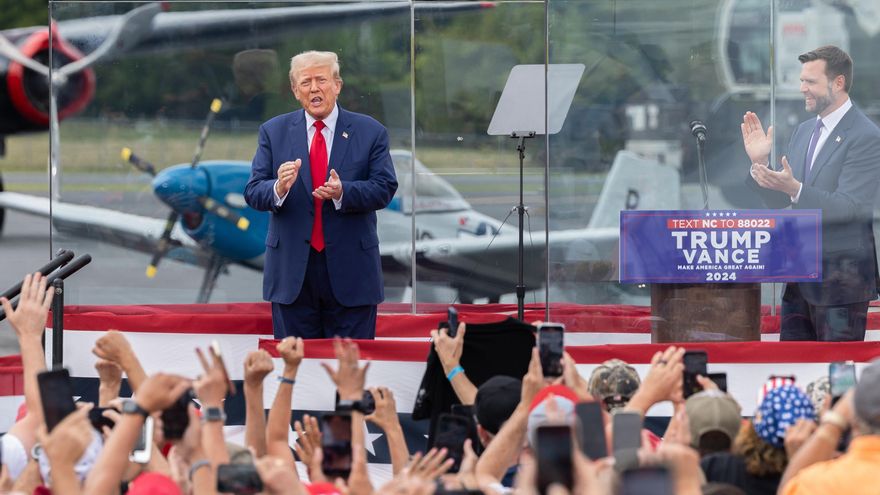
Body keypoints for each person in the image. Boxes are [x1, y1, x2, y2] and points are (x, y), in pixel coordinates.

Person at [244, 50, 398, 339]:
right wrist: (278, 188)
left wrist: (343, 192)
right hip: (292, 278)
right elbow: (253, 191)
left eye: (321, 80)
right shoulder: (273, 132)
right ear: (295, 90)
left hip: (352, 275)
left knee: (351, 374)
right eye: (305, 82)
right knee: (297, 375)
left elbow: (384, 187)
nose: (314, 88)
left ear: (337, 85)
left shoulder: (371, 132)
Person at [741, 45, 880, 341]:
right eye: (802, 81)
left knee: (835, 378)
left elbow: (850, 207)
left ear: (838, 83)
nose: (802, 88)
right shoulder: (804, 131)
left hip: (842, 285)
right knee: (792, 369)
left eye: (811, 82)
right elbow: (785, 201)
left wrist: (795, 188)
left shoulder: (866, 136)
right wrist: (760, 165)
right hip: (798, 278)